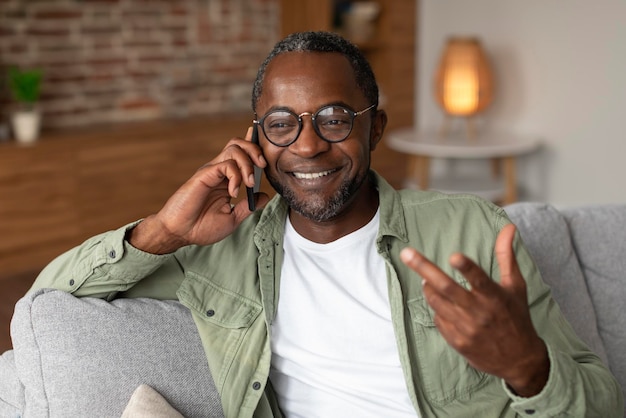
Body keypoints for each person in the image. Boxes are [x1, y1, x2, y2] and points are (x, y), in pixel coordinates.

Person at [31, 31, 622, 417]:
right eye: (283, 123)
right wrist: (166, 229)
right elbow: (49, 303)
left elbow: (600, 404)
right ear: (258, 137)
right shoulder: (220, 248)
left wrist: (528, 369)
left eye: (335, 118)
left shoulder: (471, 232)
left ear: (376, 129)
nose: (308, 146)